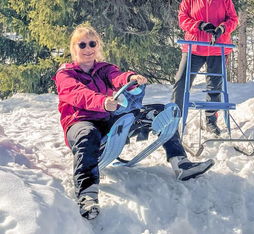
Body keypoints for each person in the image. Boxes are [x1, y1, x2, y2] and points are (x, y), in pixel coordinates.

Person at [54, 25, 214, 220]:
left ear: (97, 46)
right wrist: (102, 102)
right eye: (82, 44)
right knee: (88, 135)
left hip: (107, 116)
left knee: (161, 112)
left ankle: (180, 163)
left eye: (92, 43)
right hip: (79, 122)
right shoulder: (66, 73)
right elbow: (77, 93)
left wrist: (131, 79)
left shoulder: (103, 68)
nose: (88, 48)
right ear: (74, 48)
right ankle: (87, 194)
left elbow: (117, 77)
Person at [171, 0, 239, 136]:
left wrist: (222, 28)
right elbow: (182, 19)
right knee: (181, 81)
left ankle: (211, 121)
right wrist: (199, 25)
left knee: (214, 87)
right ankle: (173, 119)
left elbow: (233, 19)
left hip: (217, 47)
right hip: (194, 47)